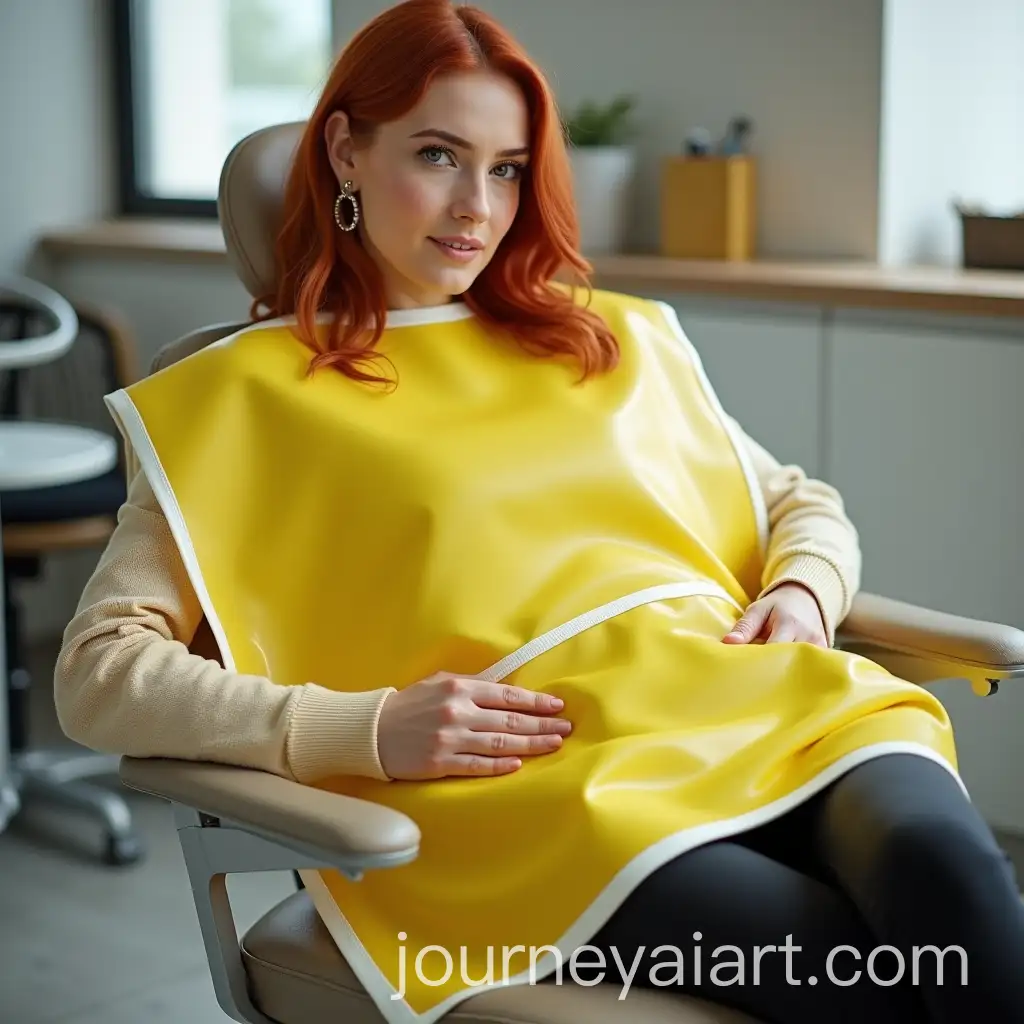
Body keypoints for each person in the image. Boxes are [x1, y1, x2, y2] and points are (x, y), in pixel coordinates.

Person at [54, 2, 1024, 1023]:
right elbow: (99, 670)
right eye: (438, 155)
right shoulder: (240, 399)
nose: (476, 206)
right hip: (538, 792)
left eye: (508, 169)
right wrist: (361, 728)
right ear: (345, 150)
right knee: (867, 978)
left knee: (954, 885)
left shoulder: (605, 339)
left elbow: (795, 500)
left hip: (766, 708)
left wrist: (803, 588)